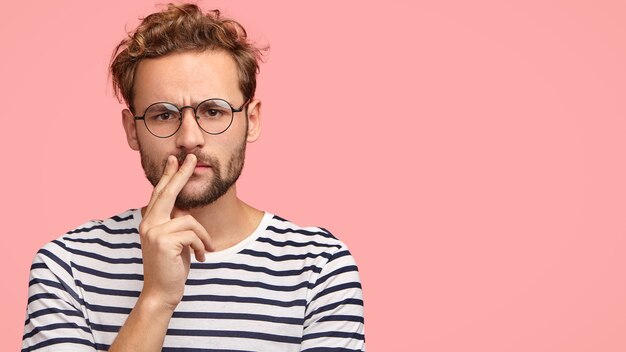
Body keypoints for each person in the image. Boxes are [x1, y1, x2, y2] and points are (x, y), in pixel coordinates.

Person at [21, 3, 365, 351]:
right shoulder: (67, 267)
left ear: (253, 120)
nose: (189, 138)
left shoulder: (319, 267)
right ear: (132, 131)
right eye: (163, 115)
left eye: (213, 111)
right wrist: (156, 299)